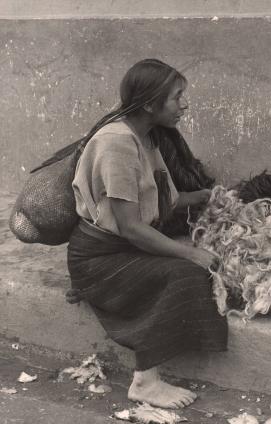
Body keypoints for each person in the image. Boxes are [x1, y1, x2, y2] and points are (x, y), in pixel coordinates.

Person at [66, 59, 228, 409]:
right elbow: (131, 228)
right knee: (187, 273)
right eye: (177, 97)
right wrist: (191, 253)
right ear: (151, 104)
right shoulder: (117, 144)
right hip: (100, 258)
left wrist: (205, 197)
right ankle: (145, 381)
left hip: (123, 247)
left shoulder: (147, 138)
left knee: (199, 267)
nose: (184, 104)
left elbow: (162, 200)